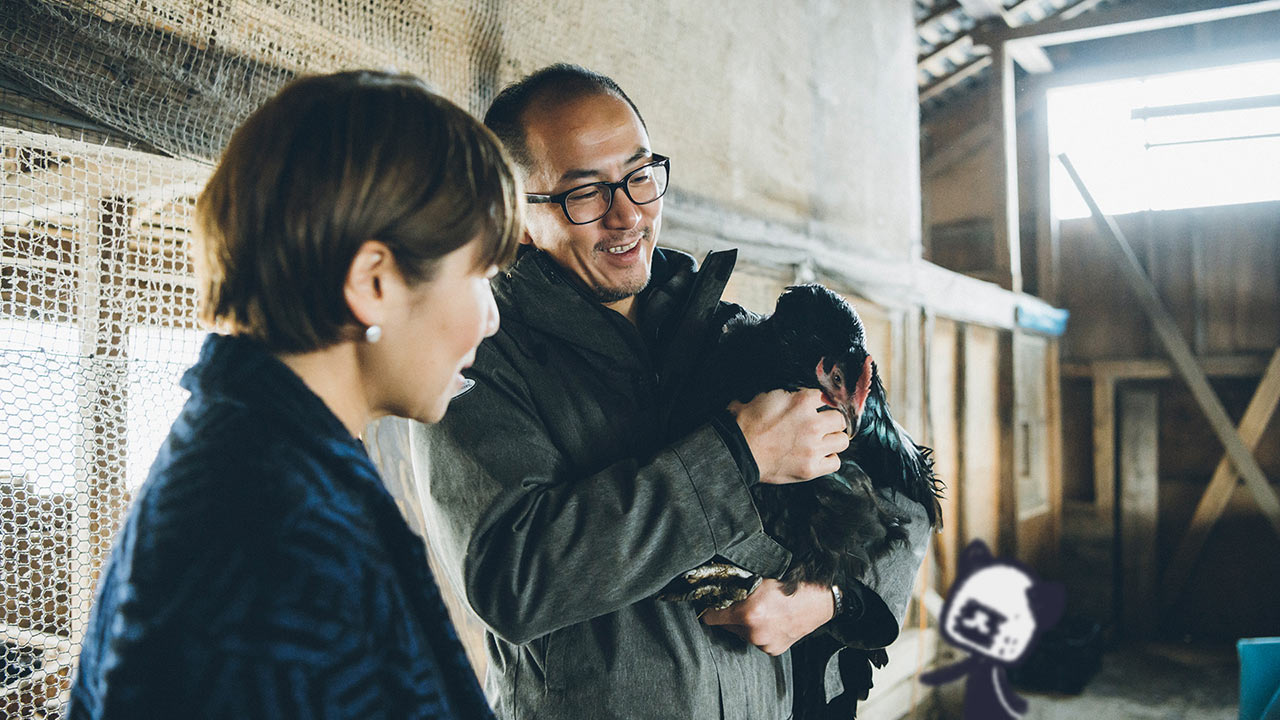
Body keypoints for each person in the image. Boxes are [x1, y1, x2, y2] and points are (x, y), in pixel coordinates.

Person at [414, 63, 931, 720]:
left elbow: (904, 493)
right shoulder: (476, 355)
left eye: (639, 175)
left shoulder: (728, 331)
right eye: (585, 194)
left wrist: (829, 599)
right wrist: (737, 457)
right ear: (516, 214)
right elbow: (511, 579)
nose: (628, 214)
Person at [68, 70, 521, 719]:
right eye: (482, 274)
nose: (492, 318)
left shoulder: (261, 460)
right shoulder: (271, 538)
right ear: (373, 282)